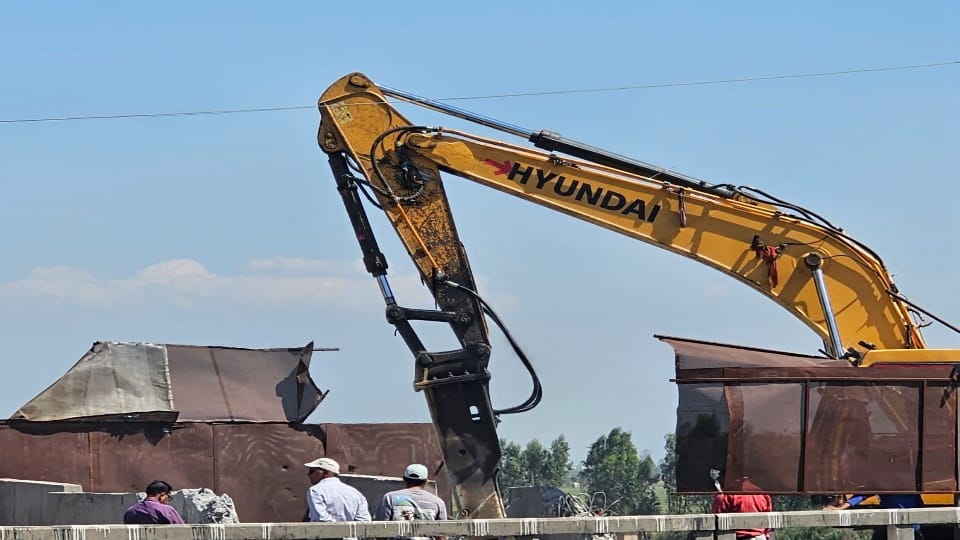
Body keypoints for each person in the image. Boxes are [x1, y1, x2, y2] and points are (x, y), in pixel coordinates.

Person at [375, 464, 447, 540]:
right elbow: (442, 535)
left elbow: (381, 530)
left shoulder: (390, 497)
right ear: (426, 481)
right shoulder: (438, 502)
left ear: (404, 478)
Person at [824, 493, 924, 539]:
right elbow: (862, 494)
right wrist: (842, 507)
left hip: (911, 528)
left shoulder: (909, 484)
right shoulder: (886, 482)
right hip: (889, 527)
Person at [305, 457, 371, 525]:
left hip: (327, 534)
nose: (308, 474)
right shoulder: (356, 493)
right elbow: (364, 521)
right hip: (351, 535)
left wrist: (338, 530)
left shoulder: (315, 491)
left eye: (311, 471)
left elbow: (320, 519)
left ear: (326, 472)